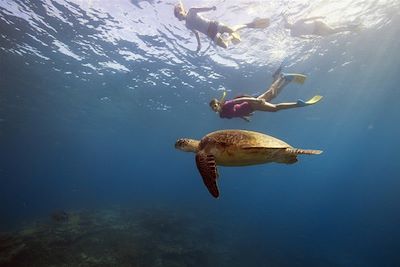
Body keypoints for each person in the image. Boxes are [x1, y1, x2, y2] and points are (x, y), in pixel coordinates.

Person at [209, 67, 322, 121]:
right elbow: (234, 114)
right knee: (273, 94)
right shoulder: (222, 115)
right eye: (213, 107)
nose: (214, 108)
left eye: (215, 105)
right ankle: (286, 80)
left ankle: (284, 80)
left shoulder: (226, 104)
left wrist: (255, 101)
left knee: (275, 107)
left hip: (252, 104)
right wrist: (245, 117)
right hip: (252, 108)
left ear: (219, 103)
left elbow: (240, 100)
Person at [174, 1, 269, 52]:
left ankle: (249, 24)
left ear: (182, 10)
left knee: (231, 29)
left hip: (213, 25)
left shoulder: (191, 10)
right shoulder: (187, 25)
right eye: (177, 15)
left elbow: (202, 9)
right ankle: (231, 36)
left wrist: (211, 8)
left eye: (179, 13)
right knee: (225, 46)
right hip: (210, 34)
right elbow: (196, 33)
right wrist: (199, 44)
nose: (179, 15)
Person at [283, 15, 359, 37]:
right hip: (315, 32)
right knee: (331, 32)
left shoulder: (298, 22)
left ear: (290, 23)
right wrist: (307, 39)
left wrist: (320, 17)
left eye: (289, 24)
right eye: (288, 26)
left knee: (332, 30)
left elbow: (310, 18)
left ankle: (350, 28)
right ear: (287, 28)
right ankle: (349, 27)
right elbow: (299, 36)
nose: (289, 26)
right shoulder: (292, 34)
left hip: (317, 24)